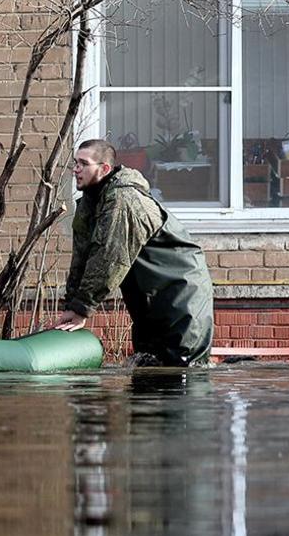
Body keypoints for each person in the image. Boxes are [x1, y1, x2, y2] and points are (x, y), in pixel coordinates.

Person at [55, 139, 214, 366]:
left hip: (181, 298)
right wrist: (72, 305)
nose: (76, 169)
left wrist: (82, 308)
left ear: (104, 169)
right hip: (149, 303)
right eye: (75, 163)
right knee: (146, 371)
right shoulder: (89, 204)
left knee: (180, 376)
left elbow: (110, 257)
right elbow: (82, 257)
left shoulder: (124, 201)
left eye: (83, 164)